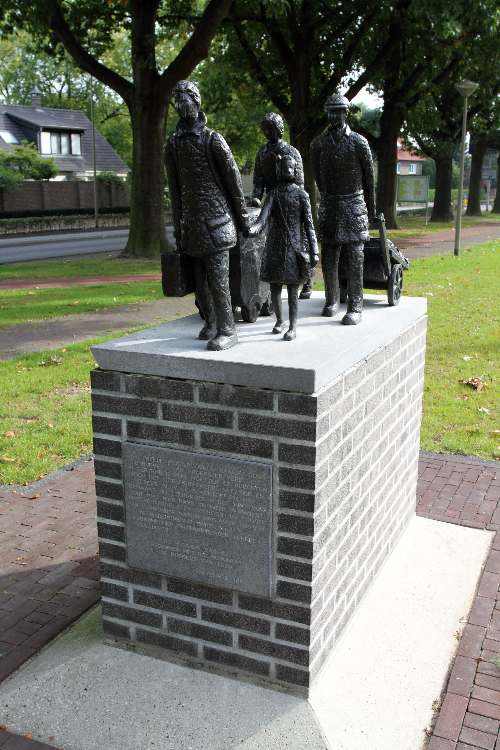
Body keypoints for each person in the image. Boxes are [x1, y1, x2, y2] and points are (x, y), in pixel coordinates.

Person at [165, 80, 249, 351]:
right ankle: (211, 322)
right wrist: (177, 227)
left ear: (197, 101)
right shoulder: (173, 145)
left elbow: (234, 182)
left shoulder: (213, 139)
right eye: (177, 101)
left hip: (217, 223)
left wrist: (243, 219)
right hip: (191, 226)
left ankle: (228, 328)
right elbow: (175, 190)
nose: (181, 105)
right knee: (200, 286)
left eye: (186, 99)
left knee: (218, 280)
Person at [310, 93, 376, 325]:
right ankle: (331, 300)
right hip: (330, 205)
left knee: (355, 257)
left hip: (354, 205)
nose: (334, 115)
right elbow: (317, 176)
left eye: (339, 111)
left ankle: (355, 306)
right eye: (331, 111)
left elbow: (369, 179)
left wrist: (372, 209)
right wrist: (327, 198)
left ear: (346, 113)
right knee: (329, 257)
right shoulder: (317, 144)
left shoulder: (359, 142)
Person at [248, 153, 318, 341]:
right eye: (283, 167)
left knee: (293, 290)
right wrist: (252, 229)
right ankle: (279, 321)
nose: (286, 170)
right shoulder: (273, 194)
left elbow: (309, 226)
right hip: (275, 247)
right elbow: (262, 219)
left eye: (290, 167)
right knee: (275, 288)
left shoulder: (302, 195)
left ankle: (293, 326)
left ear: (295, 170)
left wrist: (315, 251)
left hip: (294, 248)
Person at [250, 112, 313, 300]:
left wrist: (297, 200)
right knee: (273, 244)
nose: (267, 132)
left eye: (271, 128)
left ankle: (306, 280)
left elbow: (300, 179)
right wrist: (256, 197)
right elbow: (258, 179)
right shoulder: (262, 153)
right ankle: (273, 279)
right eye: (265, 129)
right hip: (273, 199)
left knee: (299, 242)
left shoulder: (292, 152)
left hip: (292, 200)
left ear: (279, 129)